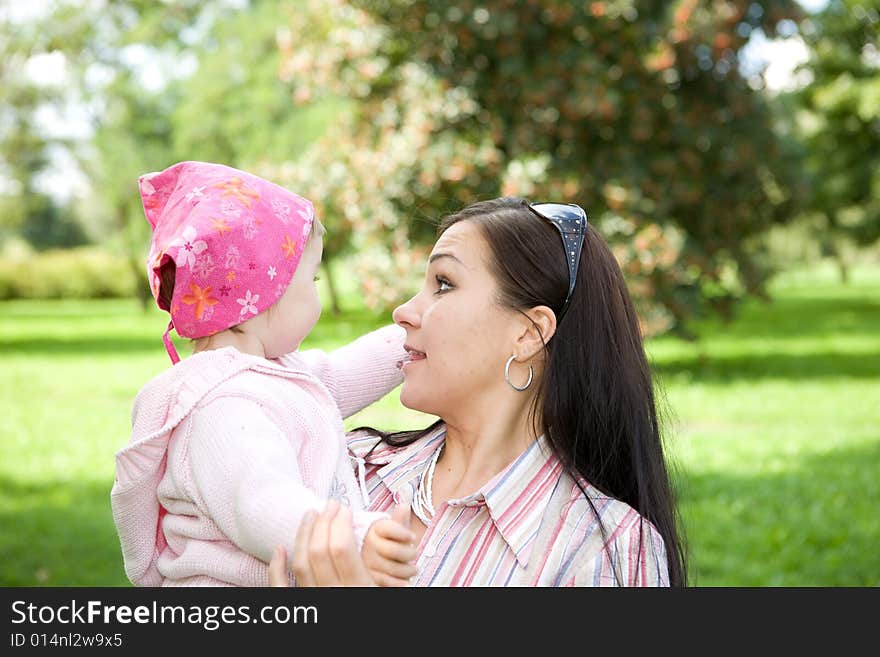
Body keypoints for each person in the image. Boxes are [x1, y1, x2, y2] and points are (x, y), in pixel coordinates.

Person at [270, 196, 688, 587]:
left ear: (528, 334)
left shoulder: (604, 550)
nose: (404, 311)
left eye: (445, 284)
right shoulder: (346, 467)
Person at [110, 160, 417, 587]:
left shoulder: (270, 376)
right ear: (260, 299)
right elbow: (260, 503)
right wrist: (353, 539)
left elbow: (341, 374)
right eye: (310, 279)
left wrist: (416, 332)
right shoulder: (221, 408)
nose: (320, 298)